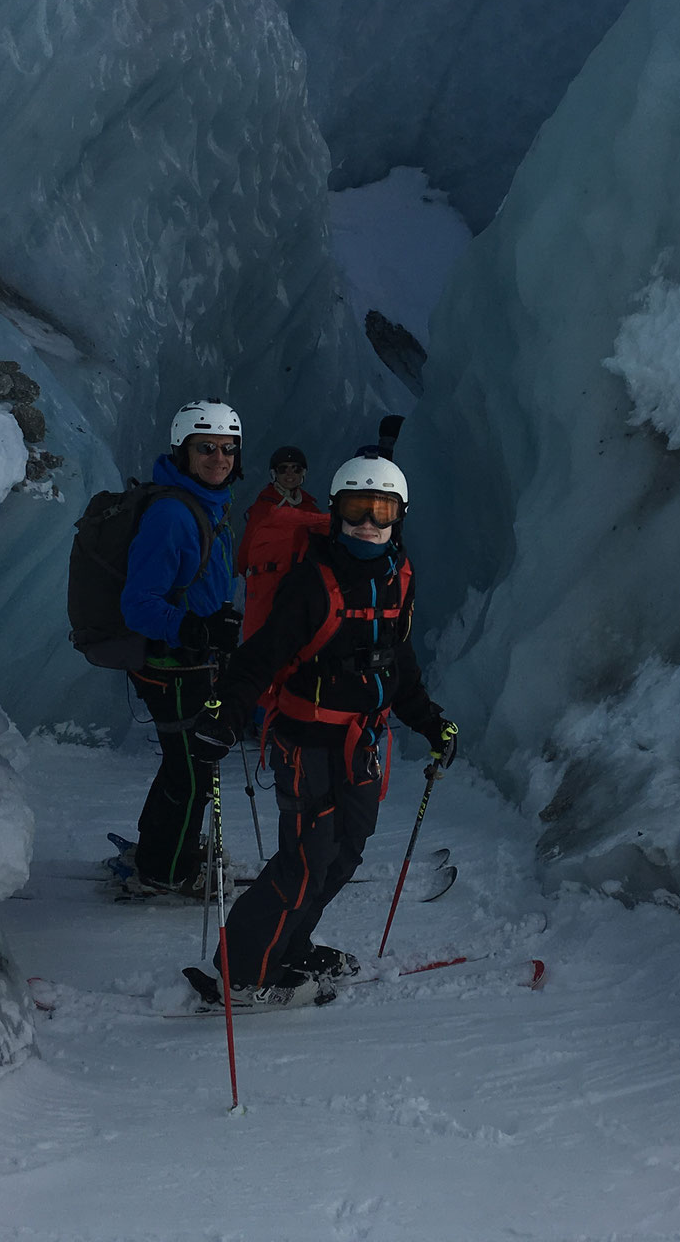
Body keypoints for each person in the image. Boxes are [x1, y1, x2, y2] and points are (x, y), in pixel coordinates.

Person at [189, 445, 459, 1008]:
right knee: (306, 860)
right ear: (335, 511)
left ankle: (288, 945)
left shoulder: (398, 580)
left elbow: (398, 663)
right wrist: (224, 713)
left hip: (361, 743)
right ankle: (242, 971)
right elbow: (260, 657)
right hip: (308, 742)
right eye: (357, 508)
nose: (367, 523)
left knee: (343, 855)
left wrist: (431, 723)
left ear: (399, 516)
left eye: (380, 511)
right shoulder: (312, 582)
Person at [119, 400, 245, 897]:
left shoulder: (209, 505)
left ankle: (158, 848)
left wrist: (215, 628)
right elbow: (139, 603)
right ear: (183, 451)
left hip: (192, 661)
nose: (219, 458)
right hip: (174, 666)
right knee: (194, 770)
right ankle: (166, 869)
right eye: (206, 448)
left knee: (182, 762)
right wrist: (197, 630)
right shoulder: (173, 514)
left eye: (228, 449)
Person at [234, 445, 331, 644]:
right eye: (283, 468)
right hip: (263, 585)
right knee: (260, 640)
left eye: (295, 469)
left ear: (303, 473)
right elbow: (278, 519)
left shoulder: (308, 507)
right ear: (274, 473)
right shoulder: (265, 506)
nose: (289, 474)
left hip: (296, 585)